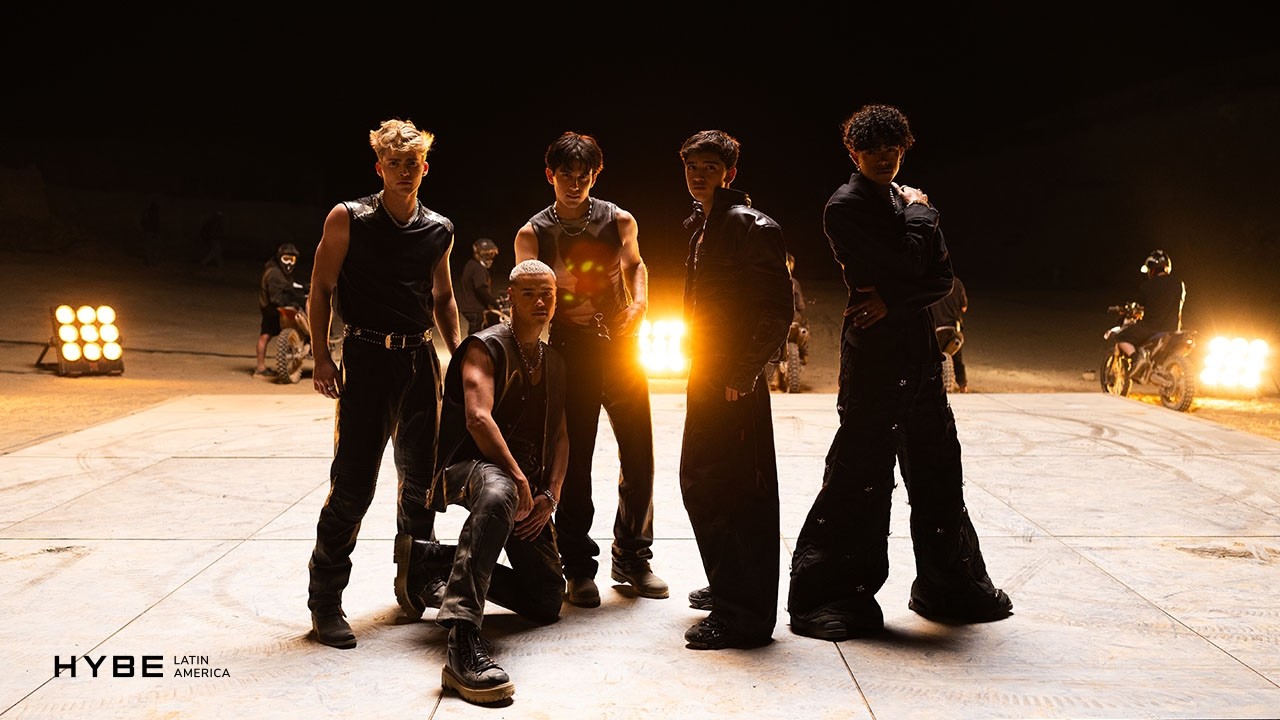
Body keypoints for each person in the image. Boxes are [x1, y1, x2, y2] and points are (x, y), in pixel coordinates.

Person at [787, 104, 1012, 642]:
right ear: (854, 154)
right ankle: (830, 595)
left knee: (939, 471)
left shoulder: (899, 201)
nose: (884, 159)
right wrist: (923, 212)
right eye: (873, 151)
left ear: (904, 149)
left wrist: (892, 298)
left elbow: (942, 279)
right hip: (873, 355)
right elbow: (911, 263)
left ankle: (947, 586)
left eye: (893, 150)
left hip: (917, 351)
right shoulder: (846, 206)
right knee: (860, 476)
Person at [305, 117, 462, 650]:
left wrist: (459, 355)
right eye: (393, 163)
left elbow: (443, 297)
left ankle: (417, 581)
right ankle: (326, 602)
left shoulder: (439, 228)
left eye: (411, 163)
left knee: (421, 484)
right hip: (367, 356)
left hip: (420, 359)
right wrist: (322, 356)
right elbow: (321, 287)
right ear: (379, 168)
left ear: (425, 168)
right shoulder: (349, 218)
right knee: (353, 485)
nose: (403, 172)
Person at [400, 259, 567, 705]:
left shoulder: (553, 360)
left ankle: (430, 562)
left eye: (548, 294)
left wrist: (550, 494)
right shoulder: (484, 346)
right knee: (500, 490)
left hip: (524, 484)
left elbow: (560, 435)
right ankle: (462, 641)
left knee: (547, 597)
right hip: (468, 467)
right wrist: (519, 478)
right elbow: (477, 419)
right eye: (529, 293)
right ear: (509, 297)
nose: (540, 301)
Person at [513, 131, 666, 608]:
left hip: (621, 349)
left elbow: (636, 265)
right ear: (550, 176)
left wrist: (639, 305)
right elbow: (526, 296)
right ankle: (578, 567)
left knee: (639, 456)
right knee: (574, 463)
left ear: (596, 176)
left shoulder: (618, 220)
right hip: (569, 352)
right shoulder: (533, 234)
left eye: (584, 175)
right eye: (566, 175)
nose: (575, 183)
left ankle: (633, 557)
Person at [677, 129, 793, 650]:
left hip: (731, 380)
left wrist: (743, 373)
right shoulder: (703, 226)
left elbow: (777, 308)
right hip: (707, 371)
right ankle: (730, 584)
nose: (699, 175)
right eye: (692, 166)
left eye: (710, 166)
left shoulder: (750, 225)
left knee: (737, 491)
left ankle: (744, 615)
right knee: (704, 482)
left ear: (730, 172)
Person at [1114, 249, 1185, 374]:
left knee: (1121, 337)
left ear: (1152, 269)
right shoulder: (1179, 284)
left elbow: (1139, 306)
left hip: (1151, 328)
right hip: (1173, 329)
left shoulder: (1147, 286)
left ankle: (1137, 360)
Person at [255, 242, 307, 377]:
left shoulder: (279, 271)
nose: (289, 263)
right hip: (273, 308)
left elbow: (289, 286)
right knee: (265, 335)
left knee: (265, 336)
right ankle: (260, 368)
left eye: (292, 260)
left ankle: (261, 367)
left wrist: (303, 288)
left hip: (273, 306)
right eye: (286, 259)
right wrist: (294, 302)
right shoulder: (274, 273)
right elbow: (276, 297)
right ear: (279, 258)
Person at [929, 274, 969, 392]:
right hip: (952, 330)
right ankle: (963, 387)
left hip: (934, 330)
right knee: (957, 360)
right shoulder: (957, 283)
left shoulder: (929, 284)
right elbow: (964, 308)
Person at [456, 238, 502, 334]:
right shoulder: (478, 268)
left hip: (467, 306)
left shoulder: (471, 264)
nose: (489, 258)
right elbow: (481, 289)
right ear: (477, 254)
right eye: (486, 255)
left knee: (477, 330)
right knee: (477, 332)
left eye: (492, 254)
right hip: (474, 308)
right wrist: (493, 303)